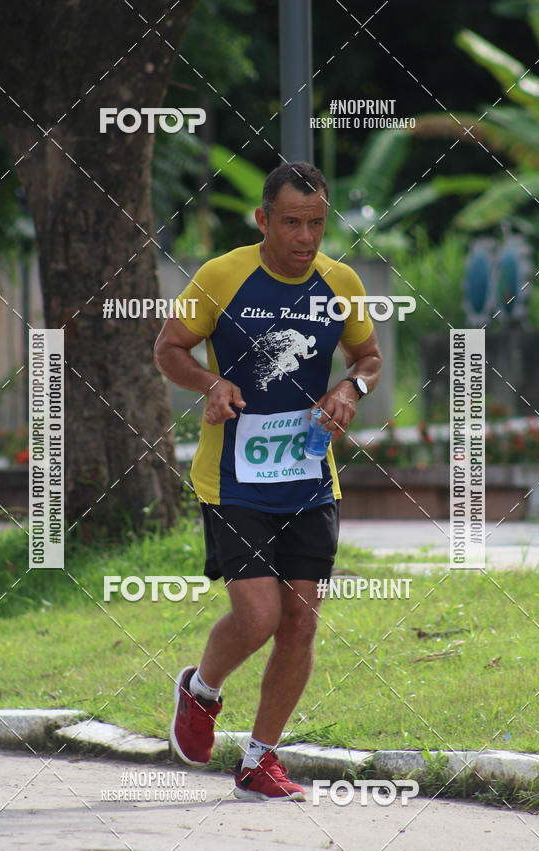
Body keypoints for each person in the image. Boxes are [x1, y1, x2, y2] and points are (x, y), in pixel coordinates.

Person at [154, 161, 382, 801]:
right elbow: (170, 349)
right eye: (291, 223)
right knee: (258, 616)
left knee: (301, 622)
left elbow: (368, 356)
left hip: (310, 475)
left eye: (316, 223)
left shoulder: (342, 283)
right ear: (263, 220)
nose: (305, 237)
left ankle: (259, 760)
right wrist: (212, 383)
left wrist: (351, 386)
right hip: (234, 478)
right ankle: (199, 690)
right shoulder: (221, 276)